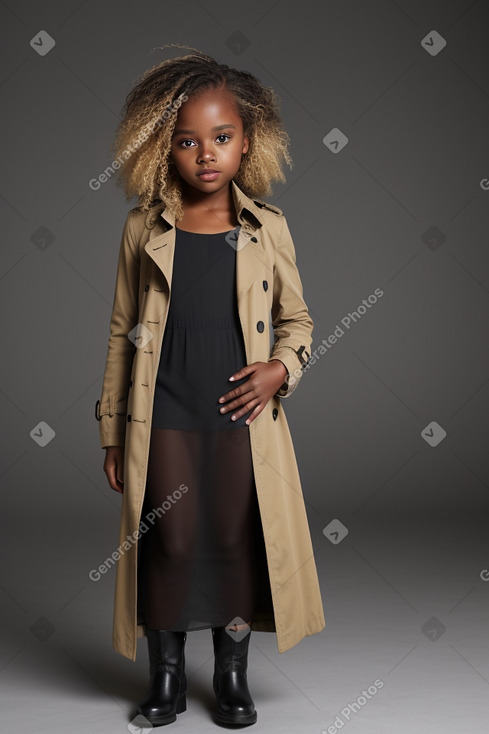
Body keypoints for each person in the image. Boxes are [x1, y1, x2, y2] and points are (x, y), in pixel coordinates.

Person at [96, 44, 325, 728]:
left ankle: (230, 678)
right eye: (188, 141)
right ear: (163, 148)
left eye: (221, 138)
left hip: (240, 415)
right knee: (166, 540)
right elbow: (118, 331)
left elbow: (299, 321)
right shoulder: (143, 227)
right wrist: (111, 433)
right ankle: (165, 678)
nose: (205, 155)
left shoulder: (267, 229)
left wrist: (281, 369)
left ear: (246, 141)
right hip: (161, 410)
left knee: (231, 541)